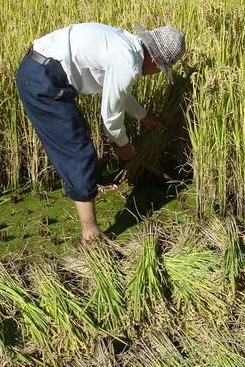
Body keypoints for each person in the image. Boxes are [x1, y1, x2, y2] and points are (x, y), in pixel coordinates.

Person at [15, 22, 186, 242]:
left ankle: (87, 208)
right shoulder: (128, 62)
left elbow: (116, 91)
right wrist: (123, 146)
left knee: (77, 143)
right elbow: (110, 116)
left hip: (40, 70)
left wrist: (143, 116)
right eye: (160, 69)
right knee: (77, 151)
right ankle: (91, 234)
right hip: (43, 82)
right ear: (154, 60)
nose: (155, 74)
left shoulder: (125, 45)